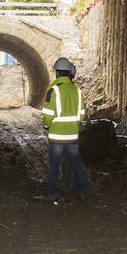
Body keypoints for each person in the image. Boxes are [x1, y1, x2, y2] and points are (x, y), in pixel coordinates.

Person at [41, 56, 86, 200]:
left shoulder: (53, 90)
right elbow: (81, 114)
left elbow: (48, 114)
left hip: (57, 136)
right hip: (72, 135)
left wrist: (47, 125)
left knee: (54, 164)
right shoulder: (77, 91)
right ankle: (81, 191)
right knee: (76, 163)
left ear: (57, 72)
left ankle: (50, 193)